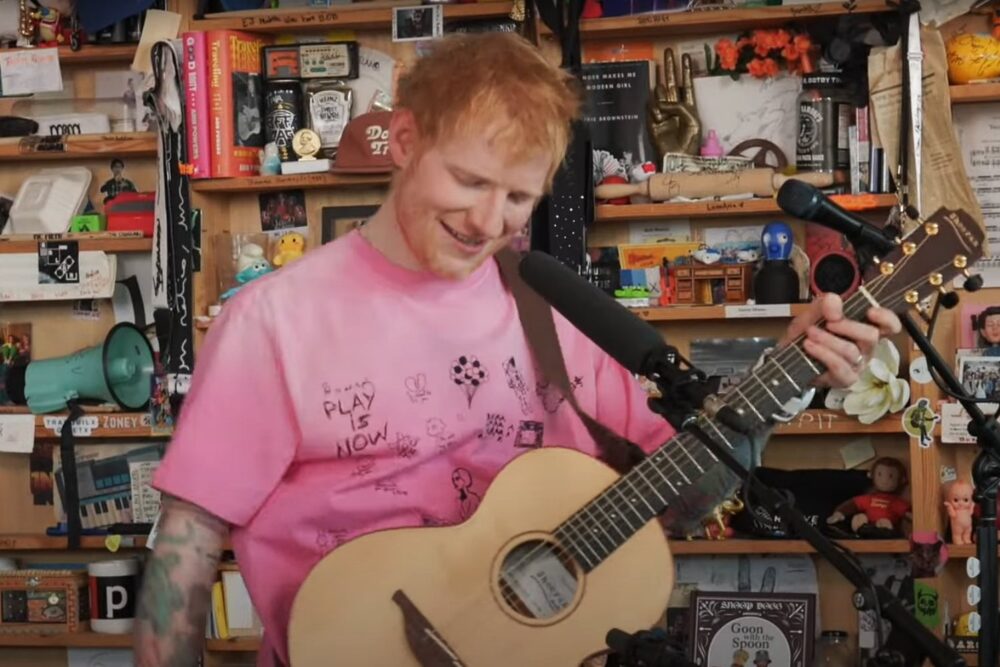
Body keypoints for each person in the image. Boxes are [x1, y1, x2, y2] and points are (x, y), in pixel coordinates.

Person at [134, 32, 900, 667]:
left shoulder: (554, 307)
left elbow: (682, 501)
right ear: (404, 140)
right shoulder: (276, 319)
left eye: (518, 196)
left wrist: (785, 383)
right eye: (469, 181)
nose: (488, 219)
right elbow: (186, 548)